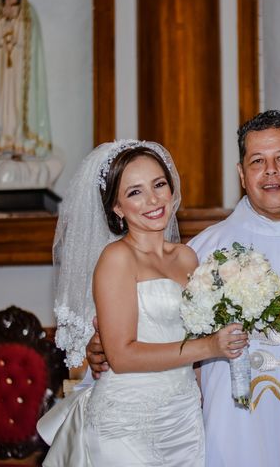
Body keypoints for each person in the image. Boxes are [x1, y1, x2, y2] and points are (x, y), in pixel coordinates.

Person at [88, 111, 280, 466]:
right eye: (257, 161)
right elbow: (147, 326)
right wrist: (100, 347)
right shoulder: (204, 251)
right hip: (232, 430)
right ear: (241, 174)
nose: (271, 171)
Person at [37, 140, 247, 466]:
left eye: (158, 184)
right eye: (134, 192)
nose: (152, 199)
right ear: (117, 208)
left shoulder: (187, 257)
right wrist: (210, 347)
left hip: (183, 418)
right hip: (127, 422)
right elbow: (121, 356)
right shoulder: (116, 259)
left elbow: (194, 330)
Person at [0, 0, 52, 160]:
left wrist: (16, 37)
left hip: (20, 71)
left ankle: (19, 144)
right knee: (1, 106)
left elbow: (32, 41)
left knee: (17, 105)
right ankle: (0, 142)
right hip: (0, 69)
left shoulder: (28, 12)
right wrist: (2, 36)